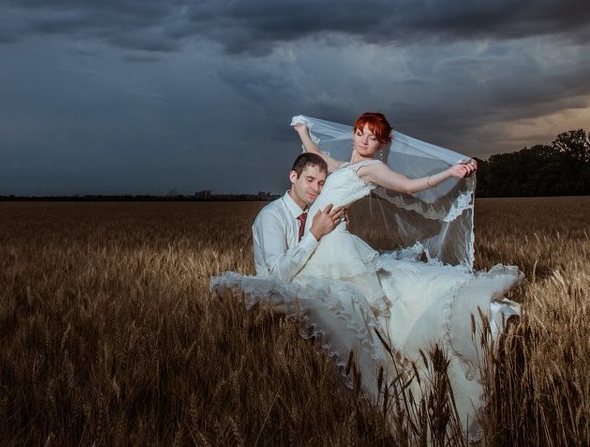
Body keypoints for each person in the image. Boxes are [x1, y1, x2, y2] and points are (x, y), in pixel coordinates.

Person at [212, 112, 522, 442]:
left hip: (334, 244)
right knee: (336, 300)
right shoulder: (340, 166)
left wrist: (450, 171)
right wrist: (302, 131)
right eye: (360, 133)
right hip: (321, 244)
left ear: (381, 143)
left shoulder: (373, 168)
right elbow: (318, 156)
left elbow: (407, 185)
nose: (363, 140)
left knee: (365, 305)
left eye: (372, 137)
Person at [251, 152, 346, 282]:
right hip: (276, 296)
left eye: (321, 183)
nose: (316, 188)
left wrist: (338, 229)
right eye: (310, 180)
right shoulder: (271, 216)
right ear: (293, 177)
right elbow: (277, 276)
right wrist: (315, 233)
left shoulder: (317, 214)